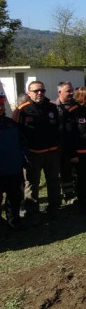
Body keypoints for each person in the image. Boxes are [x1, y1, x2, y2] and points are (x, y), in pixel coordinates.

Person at [17, 81, 61, 222]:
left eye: (42, 90)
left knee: (53, 181)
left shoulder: (52, 107)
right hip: (33, 154)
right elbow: (16, 133)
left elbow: (59, 128)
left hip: (52, 152)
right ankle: (32, 212)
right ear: (28, 93)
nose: (40, 93)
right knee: (32, 184)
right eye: (36, 91)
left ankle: (54, 208)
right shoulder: (22, 110)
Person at [0, 91, 25, 230]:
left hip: (13, 169)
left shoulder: (11, 123)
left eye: (2, 104)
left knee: (14, 198)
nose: (1, 107)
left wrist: (24, 158)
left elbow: (21, 142)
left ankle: (14, 221)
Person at [55, 81, 78, 204]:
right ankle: (67, 194)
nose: (71, 93)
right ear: (60, 92)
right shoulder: (52, 106)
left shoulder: (76, 106)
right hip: (58, 146)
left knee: (74, 171)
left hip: (74, 144)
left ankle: (75, 193)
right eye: (68, 91)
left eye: (72, 90)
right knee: (63, 171)